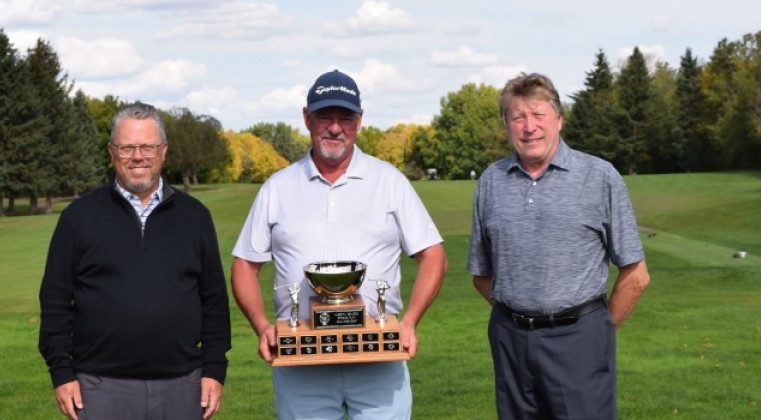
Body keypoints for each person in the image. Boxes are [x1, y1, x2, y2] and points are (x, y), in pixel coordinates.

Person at [231, 69, 447, 420]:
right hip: (301, 361)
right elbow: (244, 264)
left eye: (345, 118)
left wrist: (408, 323)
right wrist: (262, 326)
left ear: (359, 121)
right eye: (324, 117)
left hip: (378, 359)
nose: (335, 128)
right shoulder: (278, 186)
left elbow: (434, 255)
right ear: (306, 118)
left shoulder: (389, 181)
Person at [467, 73, 650, 419]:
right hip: (511, 344)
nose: (529, 127)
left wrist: (598, 332)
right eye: (518, 117)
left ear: (559, 119)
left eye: (538, 115)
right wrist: (522, 312)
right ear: (507, 125)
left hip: (579, 341)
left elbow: (636, 274)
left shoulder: (599, 176)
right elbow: (481, 274)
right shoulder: (491, 181)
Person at [38, 102, 231, 420]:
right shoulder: (79, 217)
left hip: (183, 386)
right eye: (127, 147)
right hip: (99, 388)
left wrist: (213, 369)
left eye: (147, 147)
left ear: (163, 150)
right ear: (112, 151)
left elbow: (213, 301)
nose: (138, 156)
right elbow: (55, 301)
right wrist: (62, 372)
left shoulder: (194, 216)